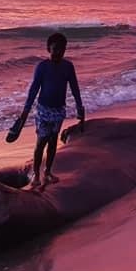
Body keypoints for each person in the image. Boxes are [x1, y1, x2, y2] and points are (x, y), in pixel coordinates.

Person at [19, 32, 85, 188]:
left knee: (53, 142)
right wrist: (26, 110)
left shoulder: (68, 67)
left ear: (65, 50)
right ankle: (36, 174)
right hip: (43, 110)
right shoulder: (42, 67)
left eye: (61, 50)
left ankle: (47, 172)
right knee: (41, 142)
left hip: (59, 110)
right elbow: (34, 89)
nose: (58, 52)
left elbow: (75, 88)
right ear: (48, 48)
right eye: (55, 49)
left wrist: (79, 106)